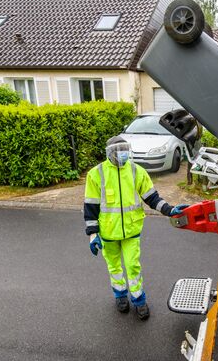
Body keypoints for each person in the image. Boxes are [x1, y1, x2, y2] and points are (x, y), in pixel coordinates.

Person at [83, 136, 189, 320]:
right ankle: (120, 296)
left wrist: (169, 209)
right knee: (114, 267)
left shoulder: (135, 171)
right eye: (119, 150)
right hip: (108, 233)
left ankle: (139, 299)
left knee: (133, 266)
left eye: (125, 149)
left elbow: (152, 197)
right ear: (110, 153)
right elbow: (90, 207)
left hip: (131, 231)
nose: (123, 154)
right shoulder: (96, 174)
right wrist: (92, 234)